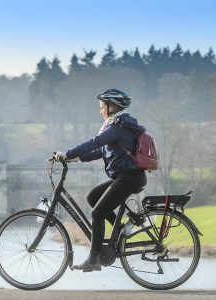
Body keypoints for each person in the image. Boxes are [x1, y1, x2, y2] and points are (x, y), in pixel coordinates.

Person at [54, 88, 147, 272]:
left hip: (129, 177)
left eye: (102, 106)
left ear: (112, 107)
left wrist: (68, 153)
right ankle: (119, 230)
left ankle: (94, 258)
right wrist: (78, 158)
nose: (100, 111)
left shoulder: (117, 127)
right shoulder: (118, 126)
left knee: (97, 214)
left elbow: (95, 142)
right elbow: (102, 151)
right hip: (126, 176)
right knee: (92, 197)